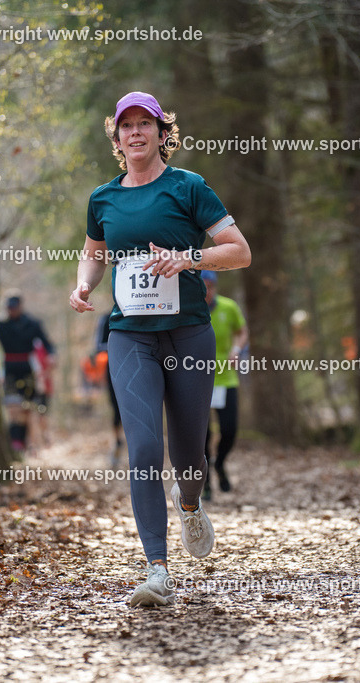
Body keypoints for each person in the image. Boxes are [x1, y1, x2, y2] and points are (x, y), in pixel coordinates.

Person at [68, 91, 251, 607]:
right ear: (117, 138)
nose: (135, 132)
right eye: (125, 126)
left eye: (144, 123)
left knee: (190, 454)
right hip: (130, 337)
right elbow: (94, 256)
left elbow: (239, 251)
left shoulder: (188, 187)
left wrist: (188, 258)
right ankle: (156, 570)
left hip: (190, 333)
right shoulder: (103, 198)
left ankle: (190, 506)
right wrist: (84, 284)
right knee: (145, 450)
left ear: (161, 131)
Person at [201, 270, 248, 500]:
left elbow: (241, 332)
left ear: (216, 287)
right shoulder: (191, 310)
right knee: (203, 435)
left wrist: (237, 350)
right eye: (203, 285)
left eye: (211, 285)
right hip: (198, 379)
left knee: (229, 429)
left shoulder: (228, 307)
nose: (207, 291)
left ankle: (219, 463)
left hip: (226, 378)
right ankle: (206, 480)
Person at [0, 294, 56, 454]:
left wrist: (51, 356)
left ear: (20, 306)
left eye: (14, 308)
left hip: (28, 369)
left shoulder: (33, 324)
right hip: (9, 368)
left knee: (27, 409)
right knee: (13, 407)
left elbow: (47, 344)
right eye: (9, 308)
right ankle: (16, 441)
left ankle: (25, 443)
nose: (12, 311)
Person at [95, 310, 125, 468]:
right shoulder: (107, 318)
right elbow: (98, 346)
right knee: (116, 407)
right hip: (113, 368)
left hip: (137, 368)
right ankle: (117, 442)